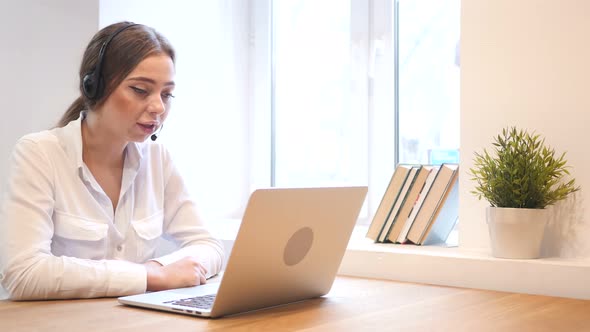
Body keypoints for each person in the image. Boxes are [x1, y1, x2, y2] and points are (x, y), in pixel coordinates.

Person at [0, 22, 225, 300]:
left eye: (166, 94)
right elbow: (24, 274)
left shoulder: (158, 159)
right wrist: (149, 277)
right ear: (93, 87)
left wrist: (157, 268)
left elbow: (207, 245)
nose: (158, 107)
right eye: (141, 90)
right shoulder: (39, 153)